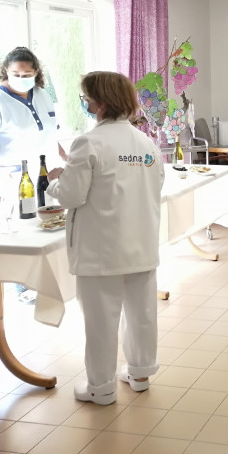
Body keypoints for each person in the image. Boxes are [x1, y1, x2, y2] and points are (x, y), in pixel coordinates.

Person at [46, 71, 165, 405]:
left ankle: (101, 388)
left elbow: (70, 195)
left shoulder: (89, 142)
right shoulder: (145, 143)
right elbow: (154, 185)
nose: (85, 104)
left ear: (98, 103)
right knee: (141, 315)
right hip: (141, 245)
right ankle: (139, 375)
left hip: (101, 250)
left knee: (101, 322)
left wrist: (55, 181)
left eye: (85, 99)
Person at [0, 46, 67, 304]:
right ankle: (21, 287)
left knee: (48, 227)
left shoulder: (42, 94)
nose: (22, 77)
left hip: (47, 172)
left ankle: (48, 281)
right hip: (16, 175)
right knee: (21, 232)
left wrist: (67, 157)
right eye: (16, 73)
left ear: (36, 73)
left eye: (28, 73)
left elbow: (50, 132)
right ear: (6, 71)